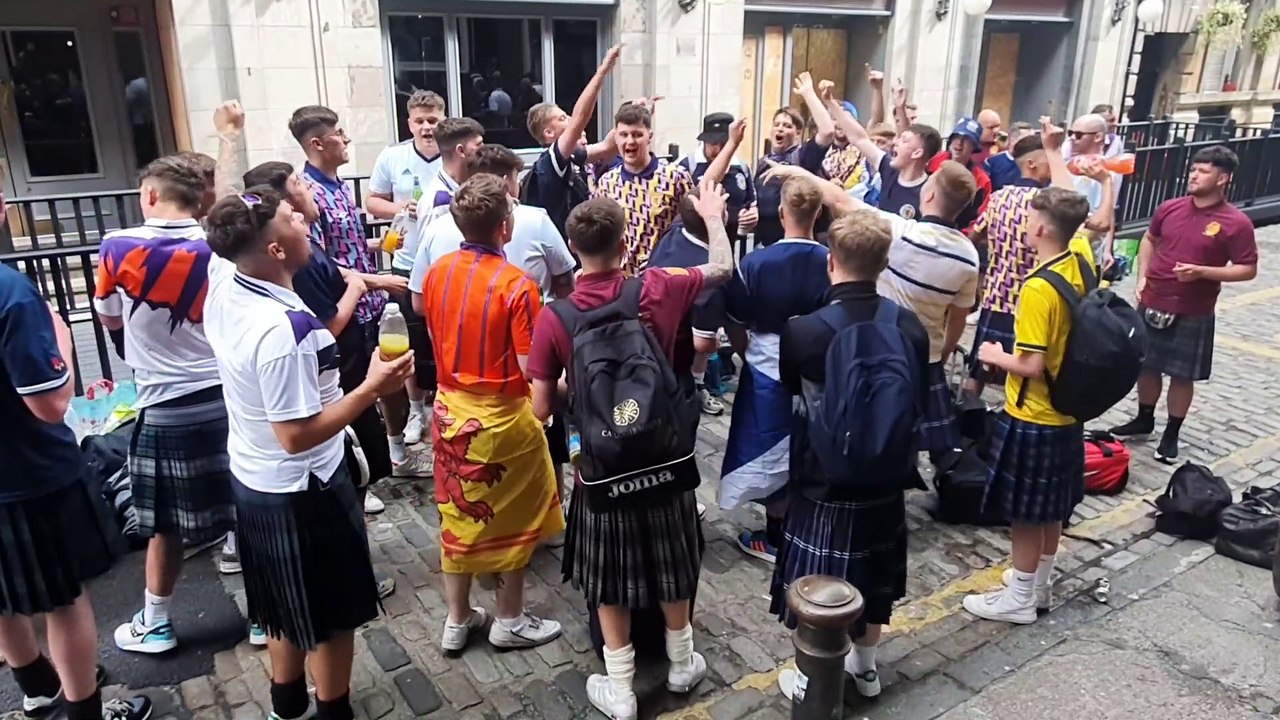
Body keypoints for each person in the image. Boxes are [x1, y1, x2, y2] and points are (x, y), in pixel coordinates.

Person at [527, 179, 736, 719]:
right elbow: (722, 268)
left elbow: (542, 408)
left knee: (609, 575)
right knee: (673, 557)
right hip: (663, 453)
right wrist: (713, 216)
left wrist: (580, 388)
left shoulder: (555, 317)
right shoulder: (657, 286)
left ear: (573, 248)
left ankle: (619, 689)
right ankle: (682, 661)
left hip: (602, 466)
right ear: (624, 245)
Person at [203, 188, 412, 720]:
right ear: (275, 249)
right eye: (291, 218)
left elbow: (231, 225)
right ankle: (332, 710)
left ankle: (286, 702)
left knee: (283, 601)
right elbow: (296, 435)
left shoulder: (225, 278)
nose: (302, 218)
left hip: (256, 478)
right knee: (332, 616)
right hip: (304, 490)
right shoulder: (286, 332)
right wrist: (372, 387)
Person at [772, 209, 929, 702]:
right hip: (887, 474)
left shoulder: (804, 331)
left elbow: (790, 391)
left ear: (831, 261)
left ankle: (814, 676)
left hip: (824, 479)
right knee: (875, 580)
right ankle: (865, 669)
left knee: (819, 581)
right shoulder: (909, 325)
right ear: (883, 263)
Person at [92, 154, 246, 654]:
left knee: (165, 525)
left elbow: (109, 317)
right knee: (245, 509)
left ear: (151, 195)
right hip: (226, 396)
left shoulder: (118, 246)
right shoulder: (221, 249)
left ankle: (156, 623)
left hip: (164, 403)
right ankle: (263, 616)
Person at [419, 175, 565, 654]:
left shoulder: (437, 272)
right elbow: (530, 368)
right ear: (505, 227)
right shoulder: (517, 285)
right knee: (515, 520)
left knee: (456, 515)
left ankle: (457, 619)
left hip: (449, 412)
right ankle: (509, 618)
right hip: (504, 418)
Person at [0, 266, 151, 720]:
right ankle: (85, 713)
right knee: (64, 600)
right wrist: (62, 342)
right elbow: (50, 404)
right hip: (31, 476)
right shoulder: (10, 292)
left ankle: (40, 690)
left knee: (3, 596)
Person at [764, 159, 979, 466]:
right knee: (900, 423)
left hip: (873, 337)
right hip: (921, 351)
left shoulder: (902, 232)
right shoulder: (969, 255)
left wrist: (795, 172)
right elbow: (958, 317)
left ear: (929, 195)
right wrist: (941, 355)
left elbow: (839, 199)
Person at [962, 188, 1093, 624]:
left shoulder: (1038, 288)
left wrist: (994, 355)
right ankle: (1040, 583)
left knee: (1024, 514)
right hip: (1067, 407)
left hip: (1034, 411)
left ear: (1040, 229)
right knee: (1051, 508)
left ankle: (1019, 597)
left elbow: (1031, 364)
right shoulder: (1081, 258)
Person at [289, 105, 409, 583]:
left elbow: (348, 247)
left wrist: (380, 250)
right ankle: (356, 482)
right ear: (317, 143)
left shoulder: (338, 187)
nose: (347, 139)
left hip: (367, 308)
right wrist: (373, 280)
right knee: (352, 400)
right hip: (344, 315)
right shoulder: (308, 195)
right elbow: (320, 263)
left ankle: (377, 465)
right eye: (339, 133)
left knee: (380, 390)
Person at [1110, 146, 1258, 463]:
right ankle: (1144, 418)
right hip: (1153, 298)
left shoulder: (1236, 222)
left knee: (1181, 374)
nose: (1194, 175)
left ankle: (1172, 433)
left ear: (1223, 178)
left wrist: (1204, 272)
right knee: (1146, 365)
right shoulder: (1169, 208)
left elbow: (1247, 269)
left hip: (1193, 308)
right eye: (1194, 169)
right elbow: (1149, 240)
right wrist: (1142, 277)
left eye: (1203, 171)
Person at [720, 175, 831, 563]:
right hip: (820, 367)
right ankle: (807, 525)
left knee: (768, 447)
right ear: (818, 213)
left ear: (782, 213)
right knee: (811, 444)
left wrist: (745, 352)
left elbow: (735, 321)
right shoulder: (833, 262)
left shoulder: (755, 263)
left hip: (766, 365)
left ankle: (776, 536)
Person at [367, 89, 446, 449]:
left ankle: (444, 404)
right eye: (420, 121)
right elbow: (372, 201)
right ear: (409, 123)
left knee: (444, 337)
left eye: (433, 120)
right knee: (410, 340)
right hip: (407, 261)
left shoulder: (454, 153)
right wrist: (400, 209)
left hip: (447, 262)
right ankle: (416, 410)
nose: (427, 127)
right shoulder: (393, 156)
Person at [524, 44, 622, 235]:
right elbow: (581, 117)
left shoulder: (572, 156)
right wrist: (602, 71)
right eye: (562, 118)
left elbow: (607, 147)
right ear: (548, 133)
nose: (569, 120)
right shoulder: (549, 162)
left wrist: (632, 115)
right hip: (561, 247)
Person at [593, 103, 693, 274]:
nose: (630, 141)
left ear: (649, 136)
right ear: (615, 137)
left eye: (637, 134)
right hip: (622, 281)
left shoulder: (675, 177)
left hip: (663, 277)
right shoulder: (606, 183)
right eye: (624, 135)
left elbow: (692, 226)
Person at [824, 92, 941, 220]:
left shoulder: (929, 192)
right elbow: (859, 139)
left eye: (904, 140)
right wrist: (831, 103)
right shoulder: (889, 169)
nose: (895, 142)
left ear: (917, 153)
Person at [678, 112, 758, 242]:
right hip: (698, 244)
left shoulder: (741, 167)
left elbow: (751, 203)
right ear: (704, 141)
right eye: (713, 143)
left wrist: (752, 215)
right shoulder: (687, 166)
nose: (719, 149)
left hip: (735, 244)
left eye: (724, 143)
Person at [751, 106, 817, 246]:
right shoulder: (763, 162)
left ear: (798, 133)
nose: (780, 129)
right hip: (762, 240)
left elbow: (826, 134)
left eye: (787, 126)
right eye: (776, 124)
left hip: (791, 238)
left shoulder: (803, 156)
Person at [928, 118, 993, 232]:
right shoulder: (933, 161)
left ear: (974, 146)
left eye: (966, 139)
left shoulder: (982, 181)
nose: (959, 143)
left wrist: (962, 236)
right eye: (956, 137)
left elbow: (981, 218)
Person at [985, 121, 1036, 192]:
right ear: (1013, 140)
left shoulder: (1035, 164)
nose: (1032, 145)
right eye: (1028, 141)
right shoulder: (992, 162)